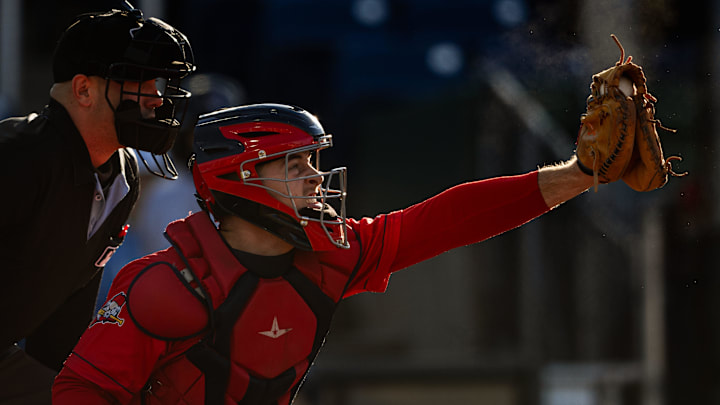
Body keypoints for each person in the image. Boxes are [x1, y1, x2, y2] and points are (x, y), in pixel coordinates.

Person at [52, 103, 597, 404]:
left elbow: (447, 221)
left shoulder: (332, 253)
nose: (315, 179)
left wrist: (579, 175)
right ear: (238, 179)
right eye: (295, 165)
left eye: (313, 162)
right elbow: (79, 391)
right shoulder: (164, 284)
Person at [0, 7, 195, 404]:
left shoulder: (122, 176)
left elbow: (60, 334)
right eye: (140, 81)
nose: (157, 98)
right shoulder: (18, 156)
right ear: (84, 90)